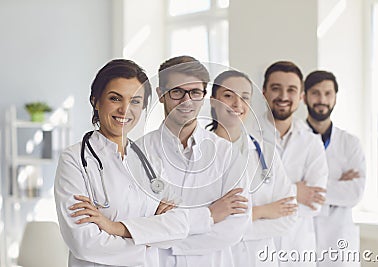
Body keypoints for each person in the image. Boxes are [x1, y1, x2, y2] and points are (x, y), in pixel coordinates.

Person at [54, 59, 198, 267]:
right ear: (96, 100)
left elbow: (181, 225)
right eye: (115, 98)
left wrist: (115, 228)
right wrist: (150, 242)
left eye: (135, 101)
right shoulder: (75, 160)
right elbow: (84, 243)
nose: (125, 109)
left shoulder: (150, 160)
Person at [136, 56, 251, 267]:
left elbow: (235, 226)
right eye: (177, 91)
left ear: (204, 96)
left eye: (195, 92)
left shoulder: (227, 154)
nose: (186, 101)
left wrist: (169, 237)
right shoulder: (138, 153)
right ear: (161, 95)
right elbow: (137, 223)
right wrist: (210, 215)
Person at [207, 70, 297, 267]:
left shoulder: (266, 152)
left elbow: (289, 216)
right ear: (213, 101)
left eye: (244, 97)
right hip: (217, 259)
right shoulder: (199, 154)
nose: (237, 104)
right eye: (228, 96)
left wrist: (234, 224)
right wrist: (262, 211)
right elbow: (200, 222)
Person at [259, 61, 329, 266]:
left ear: (301, 96)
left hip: (298, 252)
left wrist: (267, 204)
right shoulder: (245, 137)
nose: (283, 96)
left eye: (291, 90)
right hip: (256, 250)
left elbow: (315, 203)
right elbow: (245, 201)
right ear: (264, 92)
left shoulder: (311, 141)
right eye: (276, 88)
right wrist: (295, 191)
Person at [304, 70, 366, 266]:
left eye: (328, 93)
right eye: (315, 93)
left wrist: (306, 189)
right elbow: (284, 189)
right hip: (302, 236)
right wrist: (336, 185)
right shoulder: (292, 139)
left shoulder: (350, 143)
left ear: (335, 98)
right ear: (304, 97)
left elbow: (354, 194)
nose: (322, 99)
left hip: (339, 242)